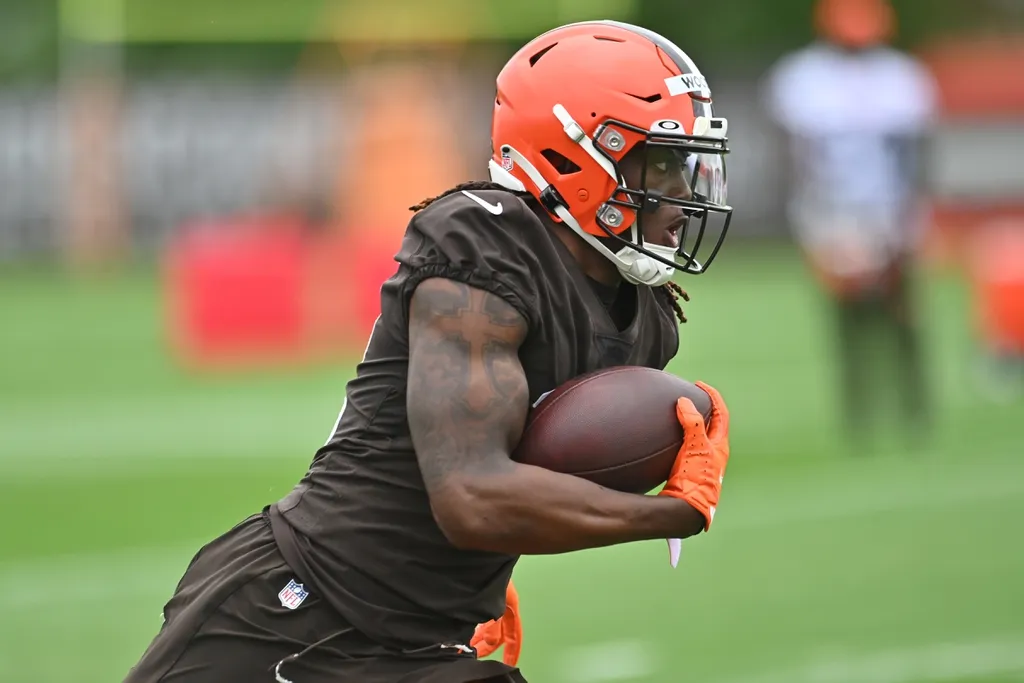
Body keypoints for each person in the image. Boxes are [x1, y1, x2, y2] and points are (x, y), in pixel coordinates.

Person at [124, 19, 733, 683]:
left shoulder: (645, 315)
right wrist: (671, 513)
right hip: (293, 613)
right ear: (579, 156)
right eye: (663, 163)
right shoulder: (483, 246)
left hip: (420, 638)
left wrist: (474, 578)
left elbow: (523, 474)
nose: (683, 195)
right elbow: (471, 496)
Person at [762, 0, 936, 452]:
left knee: (902, 311)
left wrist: (910, 215)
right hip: (832, 213)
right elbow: (794, 156)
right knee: (848, 317)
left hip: (889, 209)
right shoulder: (803, 78)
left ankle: (914, 408)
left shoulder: (900, 75)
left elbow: (915, 154)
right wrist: (812, 218)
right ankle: (860, 411)